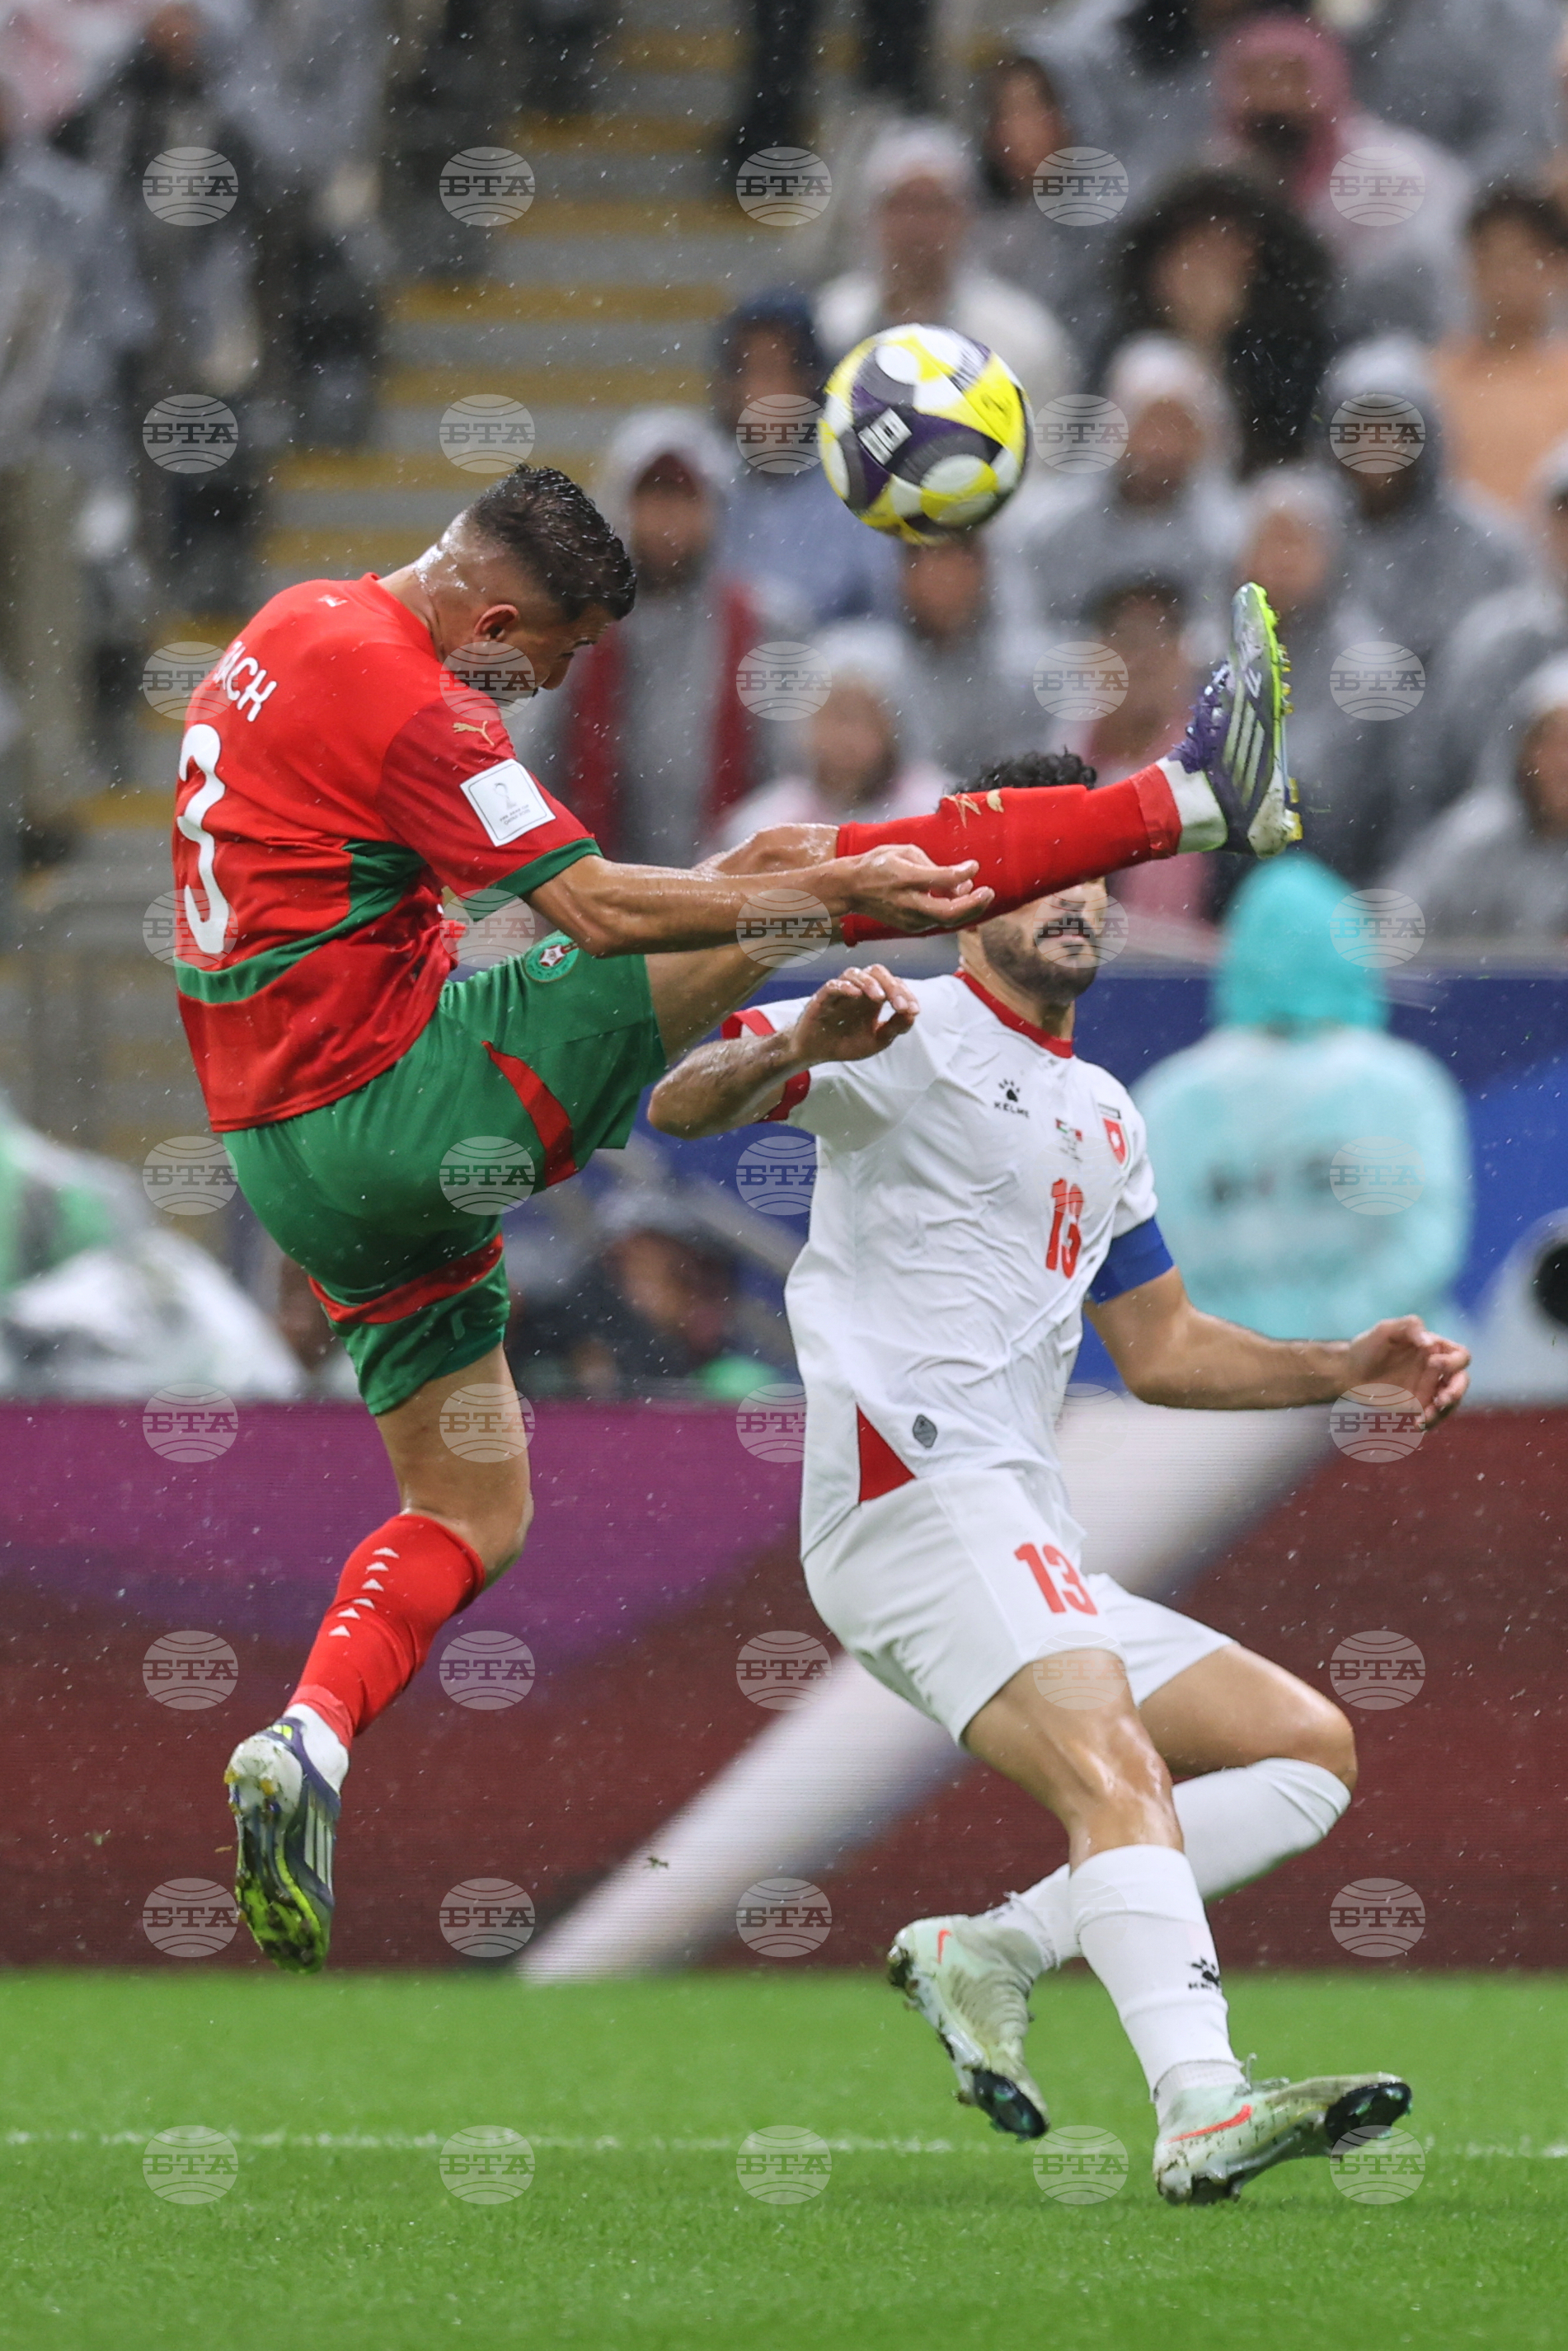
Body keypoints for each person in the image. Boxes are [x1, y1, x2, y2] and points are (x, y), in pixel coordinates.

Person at [200, 467, 1297, 1974]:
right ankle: (1182, 798)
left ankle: (308, 1736)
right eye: (559, 656)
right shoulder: (418, 702)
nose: (549, 687)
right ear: (505, 615)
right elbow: (589, 907)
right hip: (409, 1103)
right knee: (789, 875)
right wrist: (838, 880)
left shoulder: (284, 625)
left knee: (472, 1506)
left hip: (278, 1158)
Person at [647, 756, 1467, 2203]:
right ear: (969, 898)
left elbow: (1158, 1351)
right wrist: (794, 1044)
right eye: (1039, 869)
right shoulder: (898, 1022)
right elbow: (680, 1098)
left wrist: (1345, 1365)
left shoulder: (1102, 1105)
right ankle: (1201, 2100)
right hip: (909, 1491)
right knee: (1116, 1768)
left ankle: (996, 1949)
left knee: (1303, 1752)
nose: (1074, 893)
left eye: (1089, 869)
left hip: (1016, 1515)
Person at [1136, 856, 1471, 1339]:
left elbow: (1150, 1264)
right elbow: (1428, 1245)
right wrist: (1338, 1346)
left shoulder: (1166, 1098)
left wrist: (1255, 1358)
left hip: (1224, 1392)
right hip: (1390, 1382)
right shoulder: (1404, 1084)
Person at [509, 409, 802, 866]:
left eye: (685, 499)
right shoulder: (573, 628)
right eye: (652, 498)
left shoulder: (769, 625)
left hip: (741, 896)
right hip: (603, 901)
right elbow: (532, 768)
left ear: (715, 510)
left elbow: (797, 784)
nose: (667, 519)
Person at [1212, 11, 1471, 348]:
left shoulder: (1393, 172)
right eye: (1257, 80)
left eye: (1292, 78)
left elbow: (1431, 284)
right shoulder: (1215, 176)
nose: (1276, 99)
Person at [815, 120, 1077, 415]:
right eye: (902, 205)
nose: (917, 225)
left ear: (966, 218)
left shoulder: (1024, 339)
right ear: (872, 217)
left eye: (934, 206)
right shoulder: (829, 323)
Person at [1003, 335, 1241, 636]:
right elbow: (1019, 640)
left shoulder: (1230, 539)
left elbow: (1226, 640)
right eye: (1151, 425)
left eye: (1180, 427)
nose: (1163, 446)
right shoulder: (1046, 531)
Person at [1325, 337, 1530, 674]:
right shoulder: (1308, 532)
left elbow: (1500, 662)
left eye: (1391, 431)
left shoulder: (1487, 544)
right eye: (1359, 432)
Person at [1225, 469, 1387, 889]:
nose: (1282, 559)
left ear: (1332, 555)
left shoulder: (1364, 664)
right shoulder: (1209, 649)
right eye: (1269, 540)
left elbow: (1331, 794)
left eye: (1295, 541)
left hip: (1332, 865)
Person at [1111, 168, 1334, 472]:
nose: (1208, 270)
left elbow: (1281, 469)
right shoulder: (1120, 349)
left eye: (1228, 253)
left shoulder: (1290, 365)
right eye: (1194, 248)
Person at [711, 291, 899, 631]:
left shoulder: (860, 489)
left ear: (809, 382)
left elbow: (885, 627)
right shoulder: (710, 485)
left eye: (772, 371)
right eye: (746, 372)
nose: (757, 392)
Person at [1385, 653, 1568, 946]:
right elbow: (1394, 933)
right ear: (1522, 750)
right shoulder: (1474, 842)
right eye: (1551, 741)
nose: (1563, 763)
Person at [715, 631, 951, 850]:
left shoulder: (937, 812)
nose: (849, 737)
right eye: (838, 716)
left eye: (865, 718)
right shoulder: (765, 828)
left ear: (895, 726)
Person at [972, 45, 1118, 366]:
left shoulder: (1104, 232)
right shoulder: (965, 218)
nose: (1021, 129)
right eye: (1008, 111)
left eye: (1035, 108)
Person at [1429, 190, 1568, 522]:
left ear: (1556, 269)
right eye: (1492, 261)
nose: (1505, 279)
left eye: (1519, 261)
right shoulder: (1432, 378)